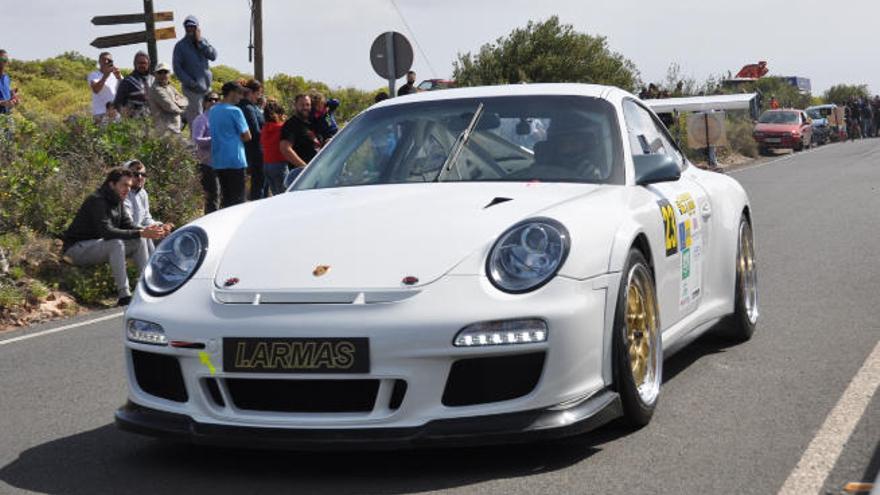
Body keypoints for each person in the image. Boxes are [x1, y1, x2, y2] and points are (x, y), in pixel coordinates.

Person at [62, 168, 166, 306]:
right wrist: (141, 232)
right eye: (124, 185)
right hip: (76, 250)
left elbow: (128, 226)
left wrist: (146, 230)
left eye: (129, 186)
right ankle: (124, 295)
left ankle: (147, 287)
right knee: (116, 243)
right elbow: (107, 232)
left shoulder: (118, 201)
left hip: (98, 246)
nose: (128, 189)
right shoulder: (96, 200)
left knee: (140, 239)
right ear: (112, 184)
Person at [209, 81, 251, 208]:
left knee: (226, 199)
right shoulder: (235, 111)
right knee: (238, 201)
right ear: (232, 93)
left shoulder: (212, 110)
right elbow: (247, 136)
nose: (241, 96)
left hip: (218, 160)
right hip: (235, 159)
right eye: (239, 93)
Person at [173, 15, 218, 128]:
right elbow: (177, 68)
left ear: (197, 28)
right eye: (188, 27)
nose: (190, 29)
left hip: (207, 89)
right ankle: (195, 145)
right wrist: (191, 83)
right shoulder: (180, 46)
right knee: (197, 121)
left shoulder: (203, 42)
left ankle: (209, 144)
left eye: (193, 27)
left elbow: (213, 56)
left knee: (211, 119)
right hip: (192, 91)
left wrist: (200, 42)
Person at [123, 160, 174, 256]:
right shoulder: (123, 193)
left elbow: (146, 218)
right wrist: (150, 230)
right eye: (135, 174)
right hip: (127, 235)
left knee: (170, 237)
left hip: (141, 231)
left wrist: (160, 226)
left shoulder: (143, 193)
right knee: (147, 237)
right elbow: (128, 223)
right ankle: (150, 268)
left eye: (143, 174)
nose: (140, 178)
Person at [280, 94, 321, 182]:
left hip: (318, 173)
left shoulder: (313, 123)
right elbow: (285, 148)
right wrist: (305, 169)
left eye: (308, 105)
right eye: (302, 105)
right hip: (301, 177)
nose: (305, 107)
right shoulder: (291, 124)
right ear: (295, 106)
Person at [192, 92, 220, 214]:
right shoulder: (201, 119)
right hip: (207, 163)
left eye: (216, 99)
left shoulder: (220, 118)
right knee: (212, 196)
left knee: (219, 195)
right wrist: (215, 139)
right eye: (210, 99)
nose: (213, 102)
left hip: (221, 162)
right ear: (204, 103)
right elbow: (197, 139)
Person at [238, 79, 265, 200]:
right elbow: (255, 131)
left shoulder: (249, 106)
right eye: (258, 93)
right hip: (255, 150)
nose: (259, 97)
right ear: (252, 92)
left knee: (258, 184)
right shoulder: (248, 108)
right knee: (258, 185)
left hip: (252, 149)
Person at [148, 62, 188, 134]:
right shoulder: (156, 89)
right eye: (160, 72)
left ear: (169, 74)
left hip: (175, 128)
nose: (163, 75)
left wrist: (177, 102)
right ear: (155, 74)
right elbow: (169, 106)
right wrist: (183, 109)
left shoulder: (170, 87)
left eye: (165, 72)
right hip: (164, 130)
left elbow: (185, 100)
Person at [260, 100, 289, 195]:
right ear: (279, 114)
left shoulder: (265, 128)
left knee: (275, 194)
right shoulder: (282, 128)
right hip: (279, 165)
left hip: (267, 164)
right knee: (284, 195)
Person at [114, 51, 154, 117]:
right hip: (135, 122)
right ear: (135, 64)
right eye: (139, 63)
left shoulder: (153, 80)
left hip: (153, 121)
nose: (142, 65)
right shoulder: (127, 81)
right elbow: (118, 103)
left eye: (144, 63)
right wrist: (126, 115)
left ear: (148, 64)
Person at [88, 52, 121, 122]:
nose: (106, 62)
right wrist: (105, 75)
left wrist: (119, 77)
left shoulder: (116, 75)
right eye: (104, 60)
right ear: (99, 62)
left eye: (109, 60)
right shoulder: (94, 74)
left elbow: (124, 91)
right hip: (100, 113)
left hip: (115, 113)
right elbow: (96, 90)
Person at [0, 49, 20, 116]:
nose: (5, 62)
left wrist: (13, 95)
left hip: (8, 115)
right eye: (2, 59)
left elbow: (5, 93)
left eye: (6, 59)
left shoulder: (6, 77)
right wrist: (3, 103)